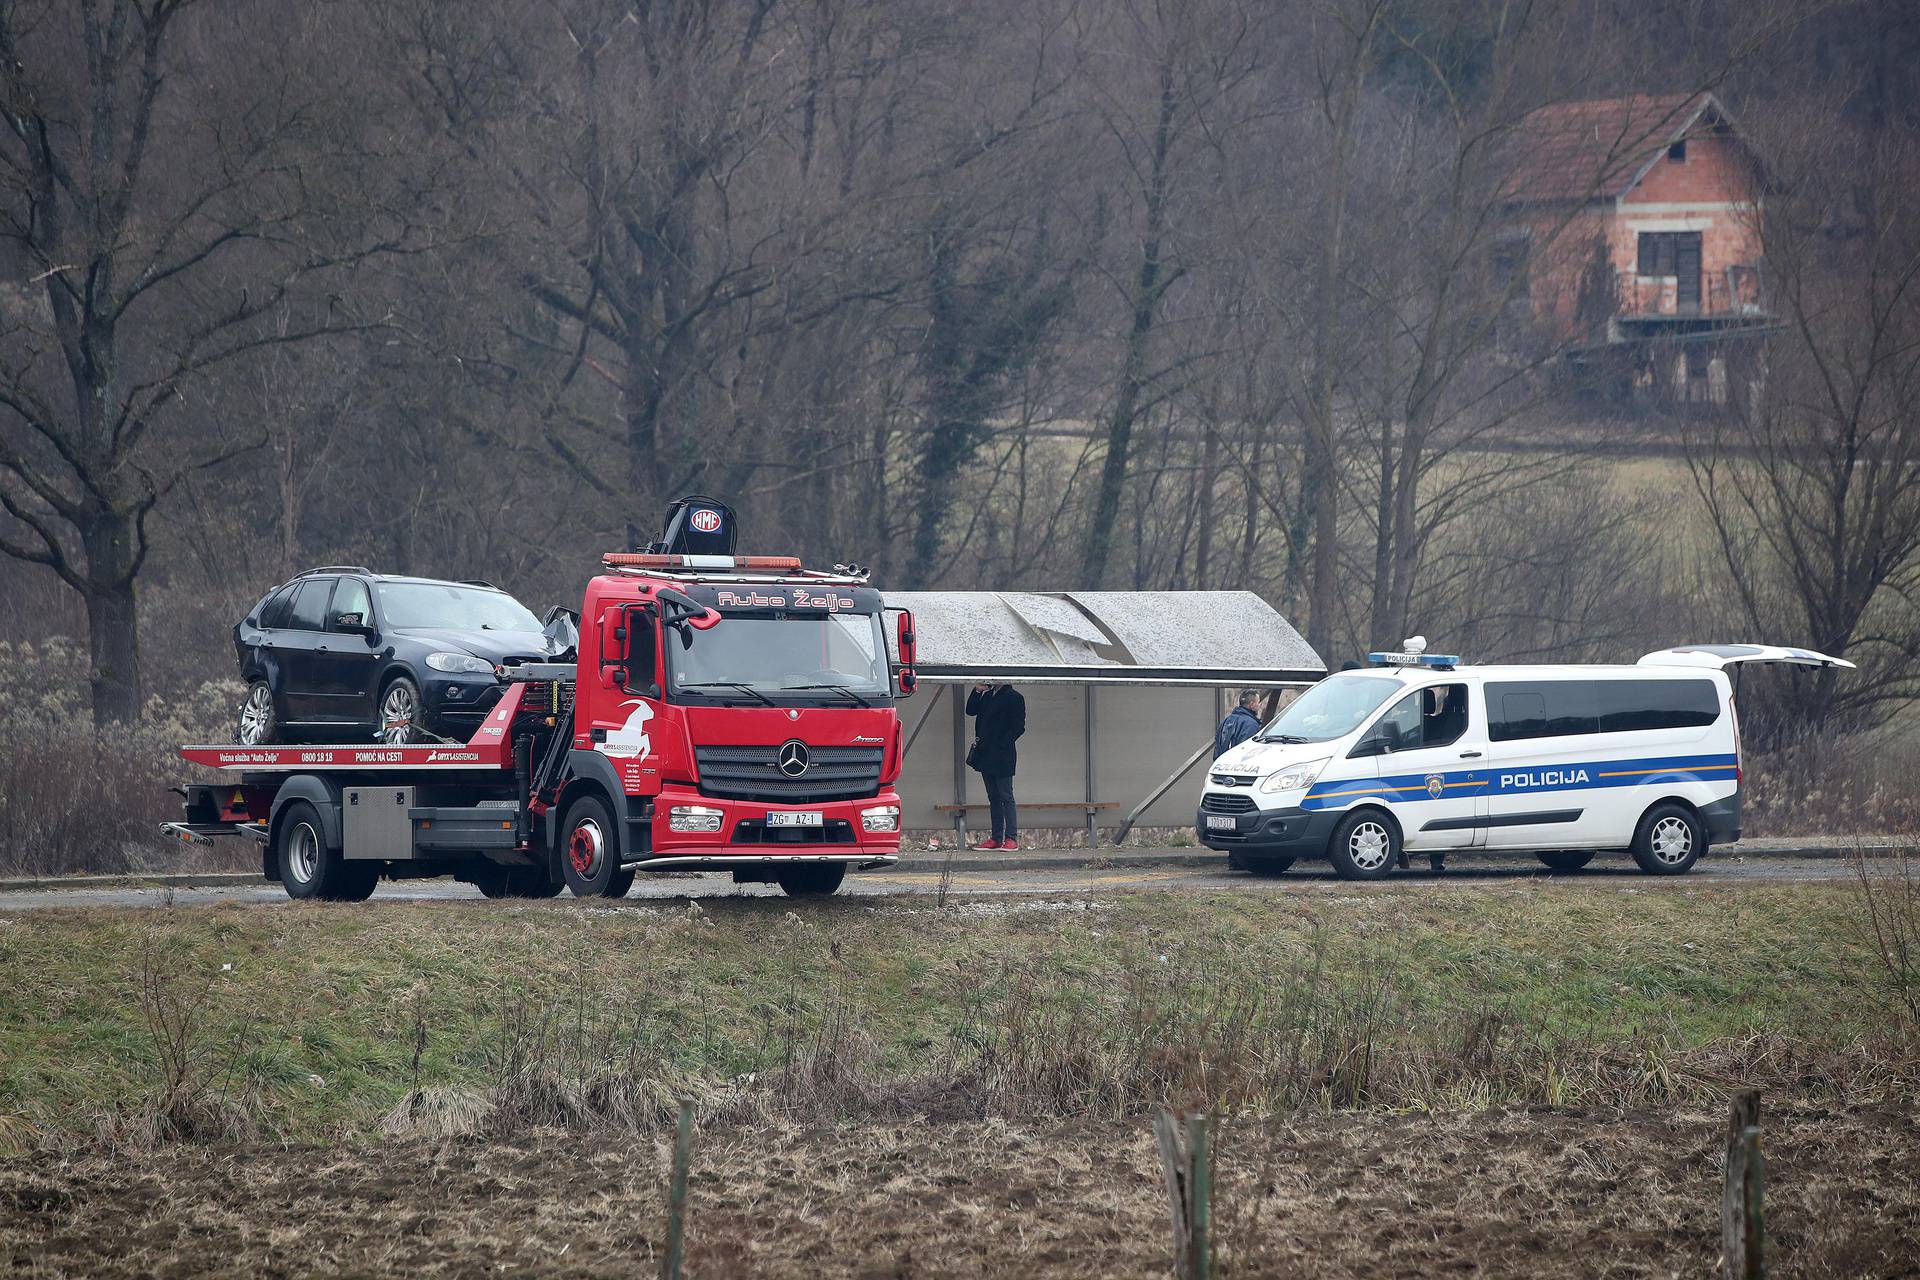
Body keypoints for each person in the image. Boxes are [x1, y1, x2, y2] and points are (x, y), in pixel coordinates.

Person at [965, 682, 1026, 850]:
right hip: (986, 753)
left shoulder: (1014, 697)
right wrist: (977, 690)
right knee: (993, 796)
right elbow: (970, 710)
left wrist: (1001, 743)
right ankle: (996, 837)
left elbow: (1018, 727)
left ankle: (1011, 837)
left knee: (1006, 795)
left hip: (1002, 754)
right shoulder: (986, 696)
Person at [1214, 689, 1264, 759]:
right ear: (1252, 704)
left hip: (1222, 766)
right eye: (1258, 703)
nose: (1259, 706)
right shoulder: (1251, 725)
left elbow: (1217, 751)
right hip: (1241, 767)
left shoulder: (1225, 721)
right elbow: (1249, 753)